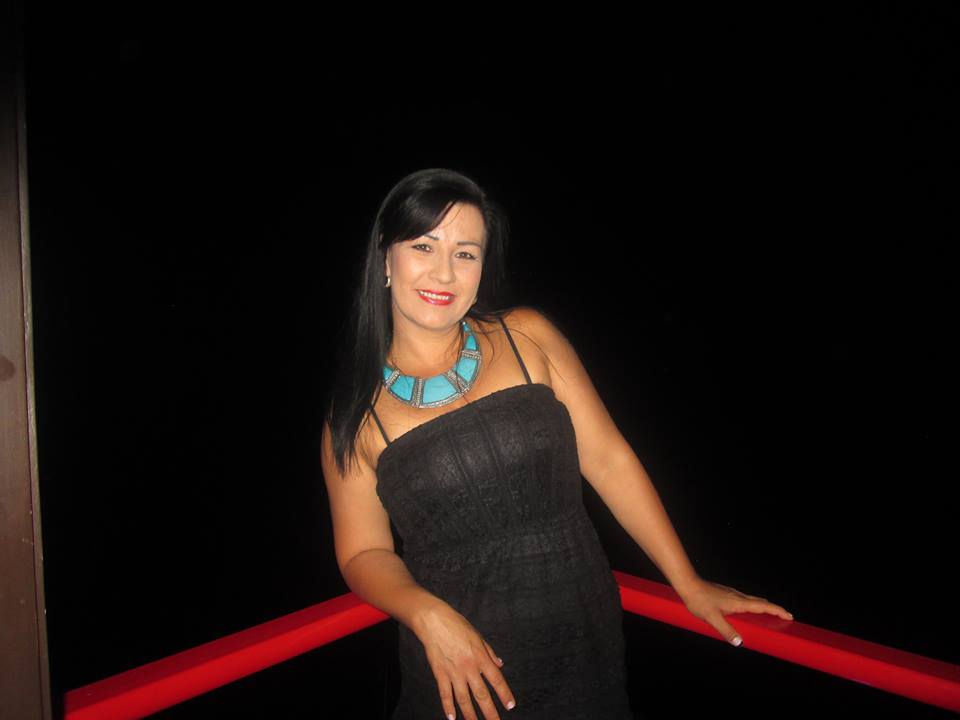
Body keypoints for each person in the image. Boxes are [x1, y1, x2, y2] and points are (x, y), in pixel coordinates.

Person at [320, 168, 793, 720]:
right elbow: (363, 553)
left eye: (466, 253)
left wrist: (686, 581)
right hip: (464, 673)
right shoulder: (353, 418)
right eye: (423, 246)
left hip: (585, 649)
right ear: (385, 258)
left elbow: (608, 459)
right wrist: (426, 614)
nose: (444, 272)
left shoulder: (529, 337)